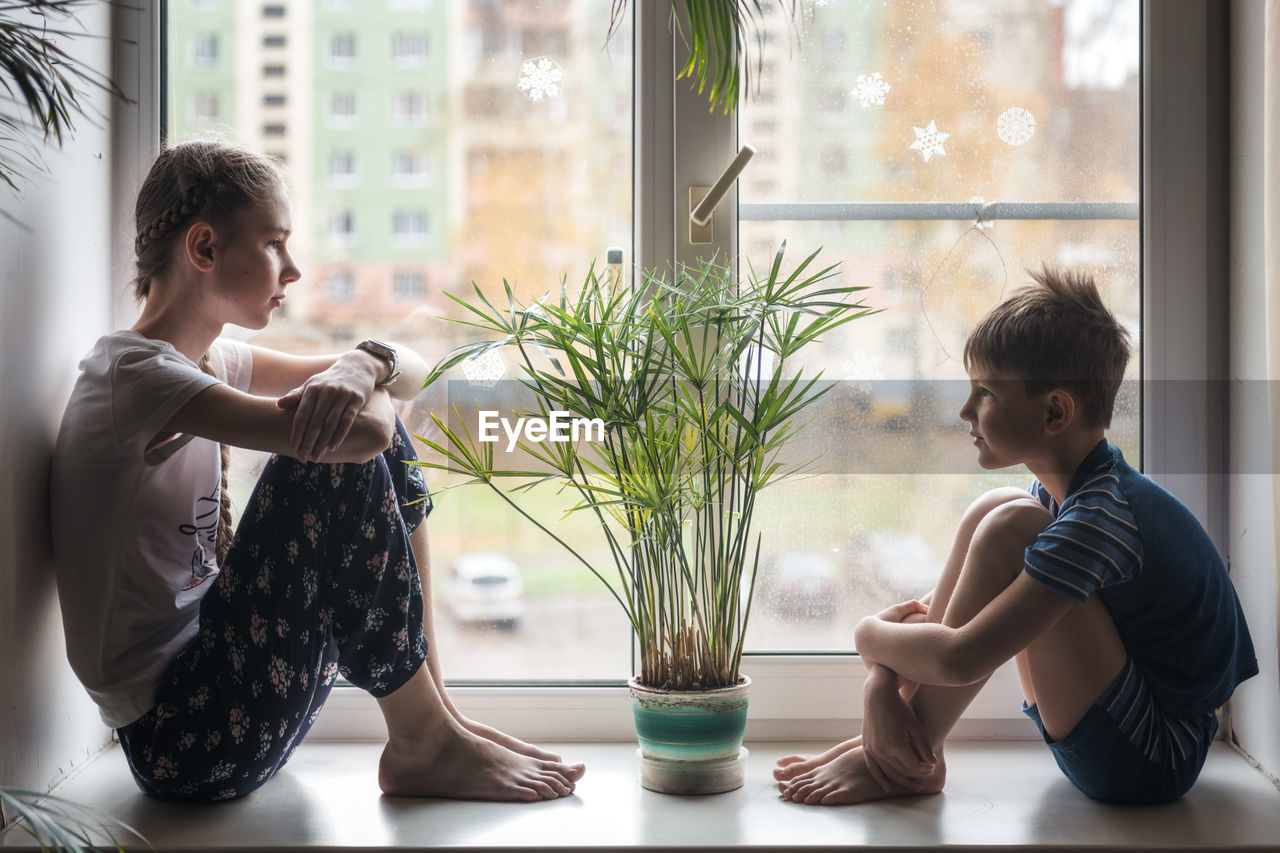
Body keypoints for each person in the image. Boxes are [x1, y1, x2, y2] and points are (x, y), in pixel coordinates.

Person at [50, 140, 585, 803]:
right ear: (205, 249)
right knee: (333, 459)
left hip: (234, 697)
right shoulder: (134, 378)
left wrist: (363, 365)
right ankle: (422, 738)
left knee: (366, 436)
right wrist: (364, 377)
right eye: (273, 243)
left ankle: (433, 715)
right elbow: (361, 435)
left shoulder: (212, 358)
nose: (293, 268)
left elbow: (415, 372)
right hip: (183, 737)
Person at [774, 267, 1257, 806]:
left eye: (984, 392)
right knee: (1000, 507)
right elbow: (943, 622)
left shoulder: (1100, 518)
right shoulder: (1061, 497)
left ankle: (903, 761)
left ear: (1054, 411)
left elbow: (957, 657)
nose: (964, 411)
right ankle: (906, 752)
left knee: (1012, 525)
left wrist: (867, 637)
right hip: (1120, 730)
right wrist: (881, 689)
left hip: (1152, 758)